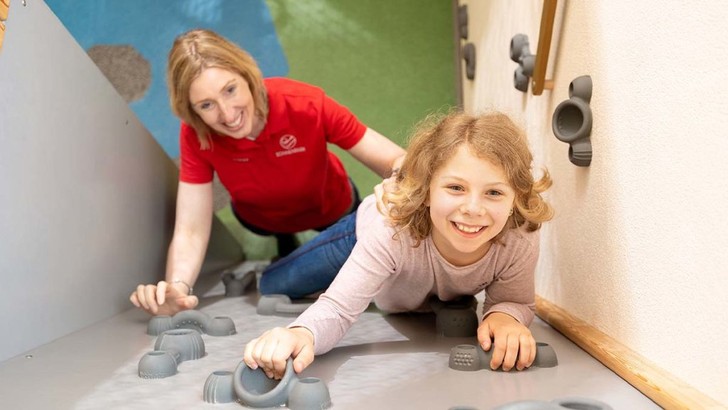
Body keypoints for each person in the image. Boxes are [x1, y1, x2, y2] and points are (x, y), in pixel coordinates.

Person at [242, 111, 554, 377]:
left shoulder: (519, 235)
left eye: (494, 193)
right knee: (276, 283)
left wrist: (504, 317)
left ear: (516, 199)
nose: (474, 208)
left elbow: (515, 301)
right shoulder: (391, 228)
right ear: (427, 190)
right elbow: (338, 307)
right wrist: (301, 333)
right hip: (359, 236)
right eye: (456, 187)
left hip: (406, 277)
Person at [130, 29, 405, 316]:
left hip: (330, 205)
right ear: (192, 110)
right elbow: (191, 229)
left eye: (230, 89)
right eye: (206, 105)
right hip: (261, 217)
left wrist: (401, 184)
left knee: (344, 248)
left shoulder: (305, 103)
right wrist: (178, 287)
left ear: (247, 75)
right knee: (280, 261)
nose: (227, 114)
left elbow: (395, 159)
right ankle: (286, 240)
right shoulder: (196, 134)